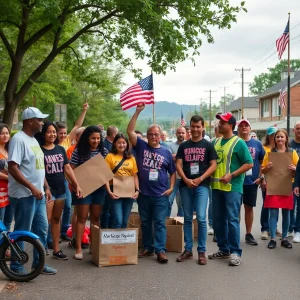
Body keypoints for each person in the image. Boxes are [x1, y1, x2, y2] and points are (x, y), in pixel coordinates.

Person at [8, 107, 57, 275]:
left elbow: (38, 167)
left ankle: (39, 264)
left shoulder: (33, 140)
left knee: (42, 229)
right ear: (30, 121)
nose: (42, 122)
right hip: (24, 195)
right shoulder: (18, 140)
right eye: (39, 119)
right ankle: (16, 267)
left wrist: (45, 186)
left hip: (38, 194)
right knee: (22, 230)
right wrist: (32, 187)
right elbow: (12, 167)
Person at [127, 103, 176, 264]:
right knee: (146, 221)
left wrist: (170, 188)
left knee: (160, 222)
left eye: (156, 134)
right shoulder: (141, 146)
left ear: (161, 136)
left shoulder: (166, 152)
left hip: (160, 194)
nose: (153, 136)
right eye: (151, 134)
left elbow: (172, 172)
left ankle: (160, 250)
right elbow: (130, 131)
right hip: (144, 193)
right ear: (147, 135)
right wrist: (137, 112)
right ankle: (147, 247)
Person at [209, 112, 253, 267]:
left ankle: (235, 252)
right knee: (218, 220)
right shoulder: (215, 141)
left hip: (232, 188)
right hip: (216, 187)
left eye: (223, 122)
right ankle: (224, 249)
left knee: (232, 220)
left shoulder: (238, 143)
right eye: (219, 122)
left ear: (231, 126)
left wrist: (232, 175)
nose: (219, 124)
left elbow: (249, 163)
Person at [37, 121, 82, 260]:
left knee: (57, 219)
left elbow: (67, 168)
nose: (52, 134)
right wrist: (46, 187)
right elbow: (39, 172)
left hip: (60, 190)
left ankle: (56, 250)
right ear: (44, 133)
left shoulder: (60, 149)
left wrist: (76, 184)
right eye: (49, 131)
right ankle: (42, 248)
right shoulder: (39, 150)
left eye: (54, 132)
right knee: (46, 221)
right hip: (47, 191)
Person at [176, 115, 217, 265]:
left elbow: (213, 165)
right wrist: (186, 180)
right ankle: (188, 250)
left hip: (202, 185)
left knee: (200, 217)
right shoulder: (184, 146)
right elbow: (178, 165)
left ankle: (201, 251)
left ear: (202, 127)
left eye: (198, 126)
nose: (195, 129)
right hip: (186, 186)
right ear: (190, 127)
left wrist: (200, 179)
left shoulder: (208, 145)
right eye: (193, 126)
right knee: (187, 218)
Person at [70, 126, 108, 260]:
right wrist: (75, 185)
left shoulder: (103, 151)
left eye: (98, 138)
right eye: (93, 138)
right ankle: (79, 247)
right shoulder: (79, 151)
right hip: (83, 189)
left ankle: (94, 245)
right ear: (87, 138)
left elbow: (107, 170)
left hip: (99, 189)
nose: (96, 141)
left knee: (96, 218)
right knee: (82, 217)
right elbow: (70, 170)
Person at [56, 103, 89, 242]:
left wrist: (84, 111)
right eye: (60, 133)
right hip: (56, 179)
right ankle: (53, 234)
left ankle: (64, 230)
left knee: (69, 206)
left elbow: (77, 125)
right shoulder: (52, 144)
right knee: (57, 208)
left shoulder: (67, 141)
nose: (63, 135)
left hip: (67, 179)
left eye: (65, 133)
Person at [261, 129, 298, 249]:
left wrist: (294, 169)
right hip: (273, 185)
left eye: (282, 137)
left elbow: (298, 170)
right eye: (277, 137)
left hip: (287, 185)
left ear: (286, 138)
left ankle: (284, 238)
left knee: (286, 213)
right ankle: (272, 238)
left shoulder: (292, 153)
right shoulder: (270, 153)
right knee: (273, 213)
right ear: (274, 139)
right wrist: (266, 167)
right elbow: (262, 170)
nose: (280, 139)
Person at [238, 119, 265, 246]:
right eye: (241, 126)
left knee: (249, 208)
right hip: (236, 182)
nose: (244, 127)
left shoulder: (257, 144)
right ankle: (233, 233)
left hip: (251, 182)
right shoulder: (235, 142)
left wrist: (261, 177)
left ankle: (248, 234)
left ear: (250, 128)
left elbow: (261, 162)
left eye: (246, 125)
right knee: (234, 210)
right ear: (238, 128)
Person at [105, 133, 140, 228]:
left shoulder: (131, 158)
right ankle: (116, 243)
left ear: (127, 144)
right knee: (118, 220)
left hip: (129, 190)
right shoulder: (109, 156)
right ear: (115, 144)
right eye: (119, 143)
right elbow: (105, 176)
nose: (122, 145)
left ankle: (124, 243)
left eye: (124, 143)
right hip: (114, 190)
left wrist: (137, 190)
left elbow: (135, 175)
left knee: (125, 221)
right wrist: (109, 192)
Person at [260, 126, 281, 240]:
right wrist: (262, 178)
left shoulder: (281, 149)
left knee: (276, 205)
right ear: (268, 136)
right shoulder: (264, 148)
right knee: (266, 204)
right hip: (267, 180)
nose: (274, 137)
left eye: (275, 135)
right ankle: (264, 228)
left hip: (279, 181)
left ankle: (274, 227)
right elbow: (261, 165)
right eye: (272, 135)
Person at [101, 125, 119, 229]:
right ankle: (104, 228)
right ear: (114, 134)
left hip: (117, 181)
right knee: (106, 208)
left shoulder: (113, 145)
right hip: (106, 181)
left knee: (113, 209)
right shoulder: (103, 147)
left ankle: (111, 228)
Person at [168, 126, 186, 217]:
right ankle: (165, 221)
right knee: (169, 201)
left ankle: (181, 224)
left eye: (182, 133)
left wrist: (176, 157)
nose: (181, 134)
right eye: (179, 133)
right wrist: (181, 157)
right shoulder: (171, 145)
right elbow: (170, 158)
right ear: (176, 134)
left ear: (186, 133)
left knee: (182, 204)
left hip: (185, 178)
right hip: (173, 178)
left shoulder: (188, 145)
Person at [0, 124, 14, 231]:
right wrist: (9, 177)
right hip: (1, 192)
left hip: (11, 191)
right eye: (2, 133)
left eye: (7, 133)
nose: (5, 136)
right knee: (1, 221)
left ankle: (6, 246)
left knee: (8, 221)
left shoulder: (11, 150)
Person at [289, 121, 300, 241]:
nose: (299, 130)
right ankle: (290, 228)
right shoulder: (289, 145)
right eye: (297, 128)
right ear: (294, 130)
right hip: (291, 180)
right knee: (291, 206)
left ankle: (298, 230)